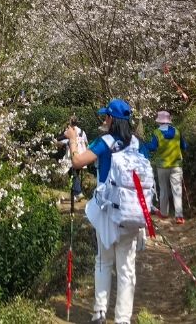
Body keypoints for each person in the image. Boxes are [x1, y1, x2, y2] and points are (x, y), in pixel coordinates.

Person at [66, 98, 155, 324]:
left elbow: (78, 162)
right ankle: (123, 319)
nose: (104, 119)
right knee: (126, 267)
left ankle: (99, 312)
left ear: (111, 119)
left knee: (103, 261)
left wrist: (73, 139)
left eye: (106, 116)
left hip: (107, 211)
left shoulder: (105, 141)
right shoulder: (138, 143)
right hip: (132, 212)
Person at [141, 109, 187, 223]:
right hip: (176, 165)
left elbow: (152, 147)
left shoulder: (157, 133)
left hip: (162, 166)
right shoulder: (177, 131)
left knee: (163, 190)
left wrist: (144, 144)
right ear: (168, 120)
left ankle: (164, 213)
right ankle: (179, 216)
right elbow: (184, 146)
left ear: (159, 121)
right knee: (177, 190)